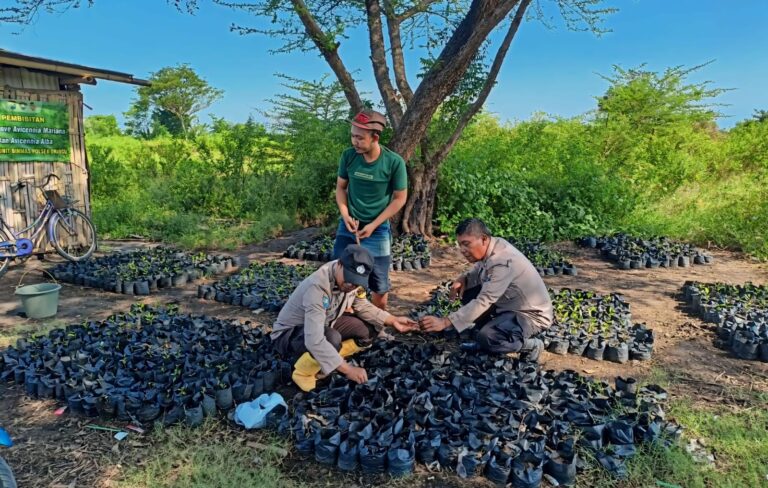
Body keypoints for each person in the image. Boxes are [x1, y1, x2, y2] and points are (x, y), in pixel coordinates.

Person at [272, 244, 418, 390]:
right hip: (289, 335)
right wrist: (348, 370)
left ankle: (331, 359)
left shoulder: (353, 283)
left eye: (356, 282)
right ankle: (303, 374)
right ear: (339, 264)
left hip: (326, 322)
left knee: (370, 329)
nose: (351, 286)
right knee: (331, 339)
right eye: (349, 279)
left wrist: (393, 320)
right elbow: (314, 340)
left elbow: (362, 305)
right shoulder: (318, 288)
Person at [420, 218, 552, 361]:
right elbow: (480, 267)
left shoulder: (503, 261)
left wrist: (445, 322)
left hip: (530, 315)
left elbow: (484, 300)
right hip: (508, 305)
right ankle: (484, 338)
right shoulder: (493, 245)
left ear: (483, 239)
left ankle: (531, 345)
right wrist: (463, 278)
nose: (462, 250)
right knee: (468, 291)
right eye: (460, 244)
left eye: (466, 244)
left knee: (489, 337)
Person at [333, 109, 408, 311]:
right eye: (352, 136)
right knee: (338, 277)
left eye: (359, 137)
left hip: (378, 230)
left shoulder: (393, 162)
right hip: (348, 226)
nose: (354, 141)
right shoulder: (348, 157)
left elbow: (400, 199)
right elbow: (341, 188)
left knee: (379, 285)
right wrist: (345, 215)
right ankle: (342, 323)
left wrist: (374, 225)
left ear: (375, 137)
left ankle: (378, 329)